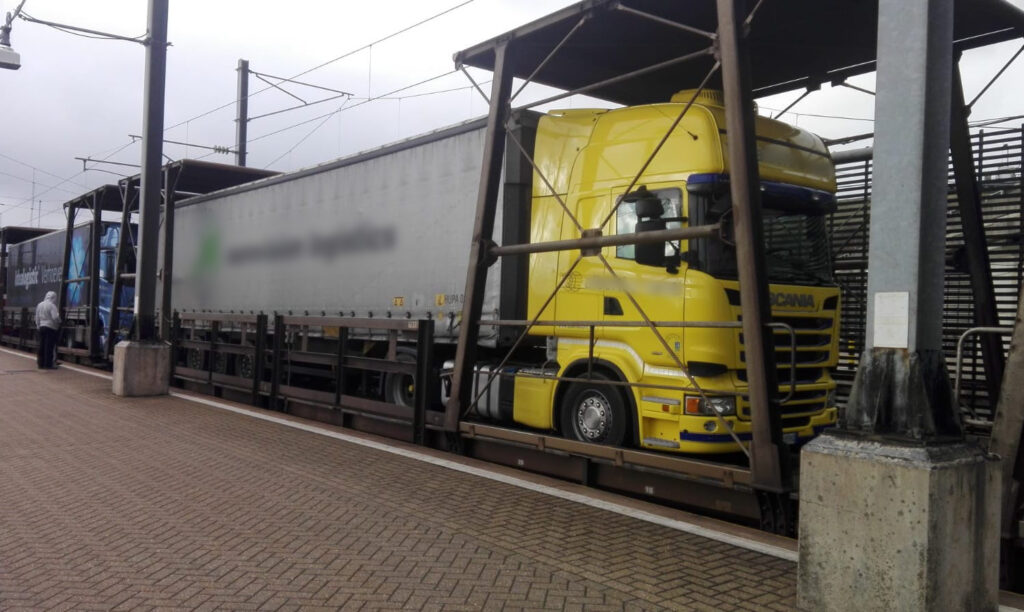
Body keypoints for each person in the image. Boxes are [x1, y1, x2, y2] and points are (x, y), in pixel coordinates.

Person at [35, 290, 60, 369]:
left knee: (41, 346)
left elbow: (37, 317)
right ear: (53, 298)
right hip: (50, 328)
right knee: (49, 347)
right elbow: (55, 317)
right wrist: (59, 321)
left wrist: (38, 325)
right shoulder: (52, 306)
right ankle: (48, 364)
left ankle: (40, 363)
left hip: (42, 327)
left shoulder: (40, 305)